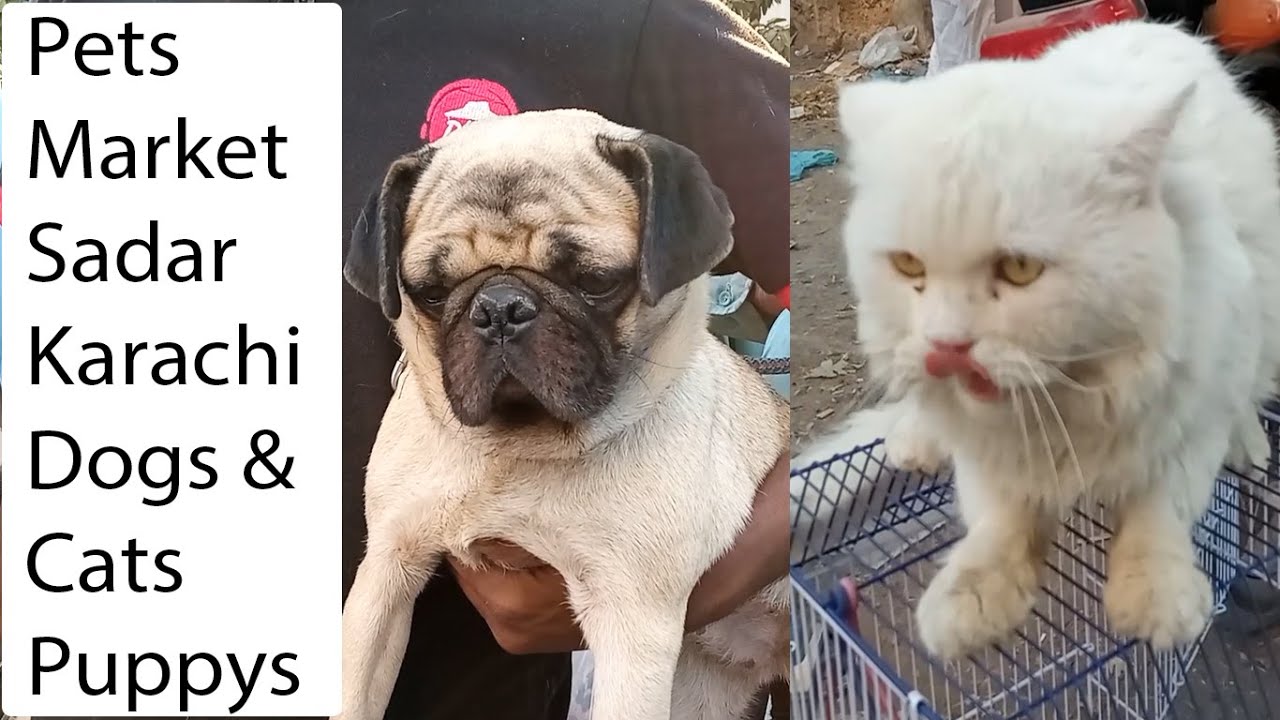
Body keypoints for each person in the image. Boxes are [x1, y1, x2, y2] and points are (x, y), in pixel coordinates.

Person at [338, 2, 790, 719]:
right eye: (439, 288)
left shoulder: (630, 22)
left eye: (590, 279)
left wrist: (748, 553)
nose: (501, 322)